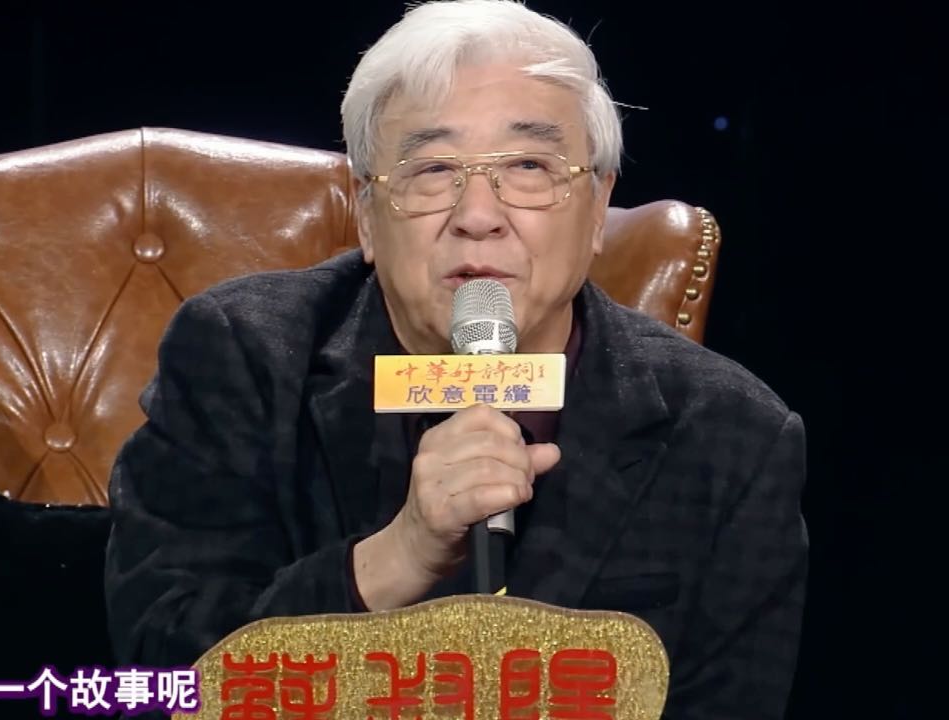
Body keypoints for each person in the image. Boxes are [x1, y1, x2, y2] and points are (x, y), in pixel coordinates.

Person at [103, 0, 808, 716]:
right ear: (367, 214)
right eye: (433, 170)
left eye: (528, 166)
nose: (478, 216)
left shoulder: (731, 437)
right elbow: (164, 672)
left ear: (597, 206)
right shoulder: (240, 359)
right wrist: (399, 557)